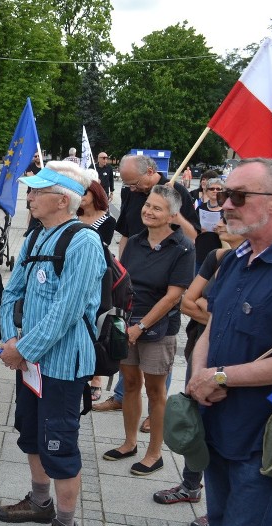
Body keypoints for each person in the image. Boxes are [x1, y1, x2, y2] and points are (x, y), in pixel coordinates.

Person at [186, 158, 272, 526]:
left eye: (237, 196)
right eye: (221, 194)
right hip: (216, 427)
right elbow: (211, 327)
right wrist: (200, 374)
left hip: (262, 436)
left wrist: (220, 376)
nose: (224, 204)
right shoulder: (232, 258)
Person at [0, 161, 105, 526]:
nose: (30, 197)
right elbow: (12, 293)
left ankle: (65, 524)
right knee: (30, 432)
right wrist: (11, 339)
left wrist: (23, 349)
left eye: (38, 192)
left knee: (59, 442)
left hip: (61, 364)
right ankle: (39, 502)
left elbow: (67, 310)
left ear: (63, 200)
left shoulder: (84, 242)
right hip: (31, 363)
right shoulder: (36, 236)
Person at [153, 217, 245, 526]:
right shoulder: (218, 258)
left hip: (239, 365)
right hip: (203, 348)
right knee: (197, 417)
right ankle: (191, 485)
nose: (221, 222)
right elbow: (188, 302)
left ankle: (222, 509)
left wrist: (219, 316)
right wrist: (223, 318)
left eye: (231, 218)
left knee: (231, 435)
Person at [94, 153, 200, 413]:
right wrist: (122, 269)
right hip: (134, 277)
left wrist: (173, 214)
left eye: (135, 183)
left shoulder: (176, 193)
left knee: (157, 362)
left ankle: (155, 412)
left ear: (151, 171)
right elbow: (127, 233)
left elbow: (193, 236)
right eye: (127, 184)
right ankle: (122, 396)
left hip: (162, 284)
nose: (131, 189)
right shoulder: (132, 192)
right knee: (127, 359)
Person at [102, 185, 194, 475]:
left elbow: (172, 296)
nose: (148, 211)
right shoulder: (136, 241)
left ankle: (155, 453)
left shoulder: (183, 247)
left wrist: (141, 327)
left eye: (157, 208)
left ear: (173, 215)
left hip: (158, 328)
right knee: (129, 384)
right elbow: (123, 282)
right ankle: (129, 443)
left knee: (155, 391)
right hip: (127, 324)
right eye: (148, 205)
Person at [77, 178, 116, 401]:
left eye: (85, 192)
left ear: (95, 193)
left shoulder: (106, 220)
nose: (81, 196)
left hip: (98, 276)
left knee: (97, 323)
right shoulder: (73, 216)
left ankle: (97, 377)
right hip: (75, 274)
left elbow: (102, 247)